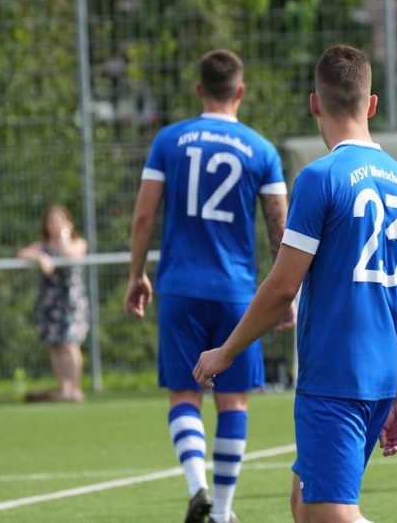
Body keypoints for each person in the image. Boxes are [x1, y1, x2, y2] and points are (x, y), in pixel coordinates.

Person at [193, 45, 397, 523]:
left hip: (336, 374)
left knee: (327, 513)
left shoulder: (321, 178)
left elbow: (283, 287)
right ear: (372, 104)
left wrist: (227, 350)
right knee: (303, 505)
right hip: (381, 376)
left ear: (315, 103)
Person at [123, 49, 289, 523]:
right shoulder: (261, 149)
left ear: (199, 90)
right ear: (240, 91)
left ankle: (197, 486)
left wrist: (137, 274)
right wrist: (286, 294)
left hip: (179, 286)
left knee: (184, 395)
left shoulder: (169, 140)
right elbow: (279, 227)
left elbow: (144, 215)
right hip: (237, 292)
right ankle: (222, 512)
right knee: (233, 401)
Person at [17, 205, 90, 402]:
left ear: (69, 223)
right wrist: (40, 257)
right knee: (56, 345)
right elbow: (22, 253)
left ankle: (75, 388)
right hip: (49, 302)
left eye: (60, 220)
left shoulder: (78, 243)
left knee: (70, 343)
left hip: (71, 302)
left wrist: (64, 235)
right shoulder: (42, 246)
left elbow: (70, 255)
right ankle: (64, 388)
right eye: (51, 221)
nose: (55, 224)